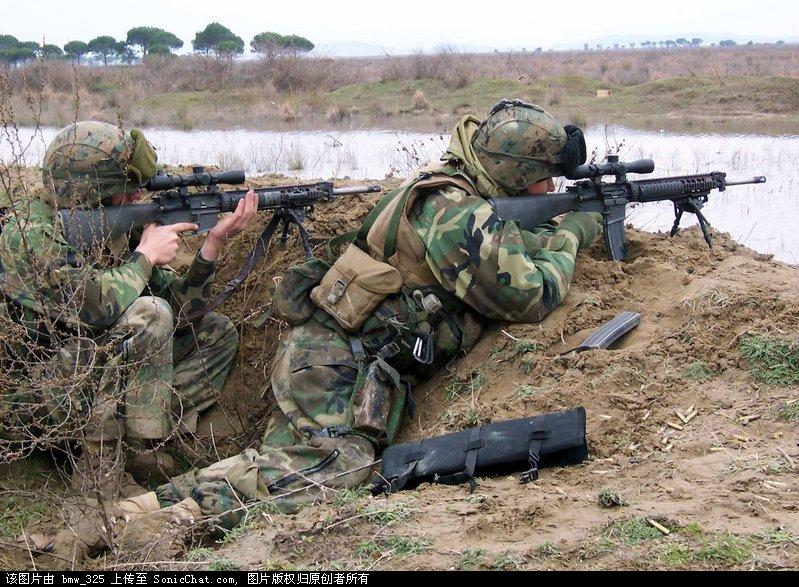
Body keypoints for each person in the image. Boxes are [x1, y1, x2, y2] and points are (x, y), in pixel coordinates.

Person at [50, 100, 603, 557]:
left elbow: (498, 253)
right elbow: (530, 295)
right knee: (339, 468)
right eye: (543, 179)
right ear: (515, 174)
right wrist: (570, 234)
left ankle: (132, 514)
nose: (549, 187)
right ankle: (169, 521)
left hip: (327, 354)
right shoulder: (456, 213)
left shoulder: (449, 191)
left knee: (276, 469)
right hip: (338, 365)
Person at [0, 121, 258, 498]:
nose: (138, 194)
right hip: (31, 396)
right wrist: (145, 257)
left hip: (91, 376)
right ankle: (114, 465)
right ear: (91, 192)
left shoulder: (115, 225)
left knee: (215, 334)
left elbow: (180, 314)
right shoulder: (29, 234)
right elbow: (94, 307)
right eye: (127, 188)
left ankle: (145, 435)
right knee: (149, 314)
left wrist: (211, 248)